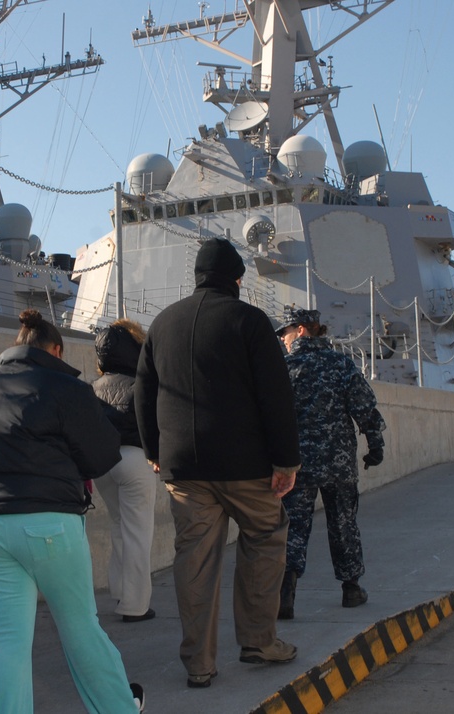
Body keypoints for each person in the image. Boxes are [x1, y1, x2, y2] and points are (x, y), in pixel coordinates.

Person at [134, 237, 302, 689]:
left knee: (195, 561)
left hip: (184, 470)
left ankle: (200, 665)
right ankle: (258, 642)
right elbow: (275, 396)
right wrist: (286, 460)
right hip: (246, 466)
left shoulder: (163, 324)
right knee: (266, 539)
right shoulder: (249, 321)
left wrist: (153, 450)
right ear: (238, 280)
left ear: (197, 277)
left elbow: (143, 391)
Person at [0, 310, 143, 714]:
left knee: (6, 640)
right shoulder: (63, 388)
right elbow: (102, 454)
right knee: (80, 631)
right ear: (55, 350)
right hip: (48, 524)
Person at [275, 307, 386, 619]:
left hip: (298, 465)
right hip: (338, 464)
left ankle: (286, 593)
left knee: (294, 527)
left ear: (302, 330)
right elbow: (364, 406)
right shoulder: (340, 364)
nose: (282, 339)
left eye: (285, 331)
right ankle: (351, 589)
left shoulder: (284, 367)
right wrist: (375, 445)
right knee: (344, 524)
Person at [91, 319, 156, 623]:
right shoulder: (143, 382)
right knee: (138, 533)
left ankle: (119, 590)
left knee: (118, 526)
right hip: (135, 460)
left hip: (103, 463)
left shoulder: (95, 386)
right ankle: (135, 605)